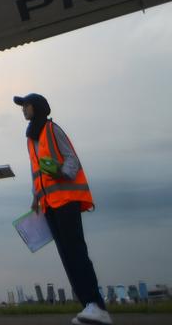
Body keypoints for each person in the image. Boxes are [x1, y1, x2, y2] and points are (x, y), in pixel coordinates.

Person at [14, 93, 111, 325]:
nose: (23, 110)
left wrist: (61, 172)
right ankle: (88, 306)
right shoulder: (31, 138)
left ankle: (97, 306)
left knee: (76, 252)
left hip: (66, 200)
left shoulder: (52, 129)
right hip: (48, 204)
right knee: (67, 256)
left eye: (25, 105)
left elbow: (71, 159)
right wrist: (35, 196)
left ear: (36, 107)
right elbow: (35, 170)